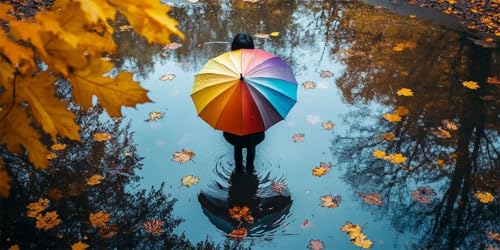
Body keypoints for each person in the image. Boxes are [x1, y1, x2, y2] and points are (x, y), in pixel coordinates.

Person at [223, 33, 265, 172]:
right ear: (252, 50)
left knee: (237, 146)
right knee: (252, 146)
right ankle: (250, 170)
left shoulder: (227, 70)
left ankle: (239, 171)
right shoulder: (259, 69)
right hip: (254, 118)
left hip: (234, 117)